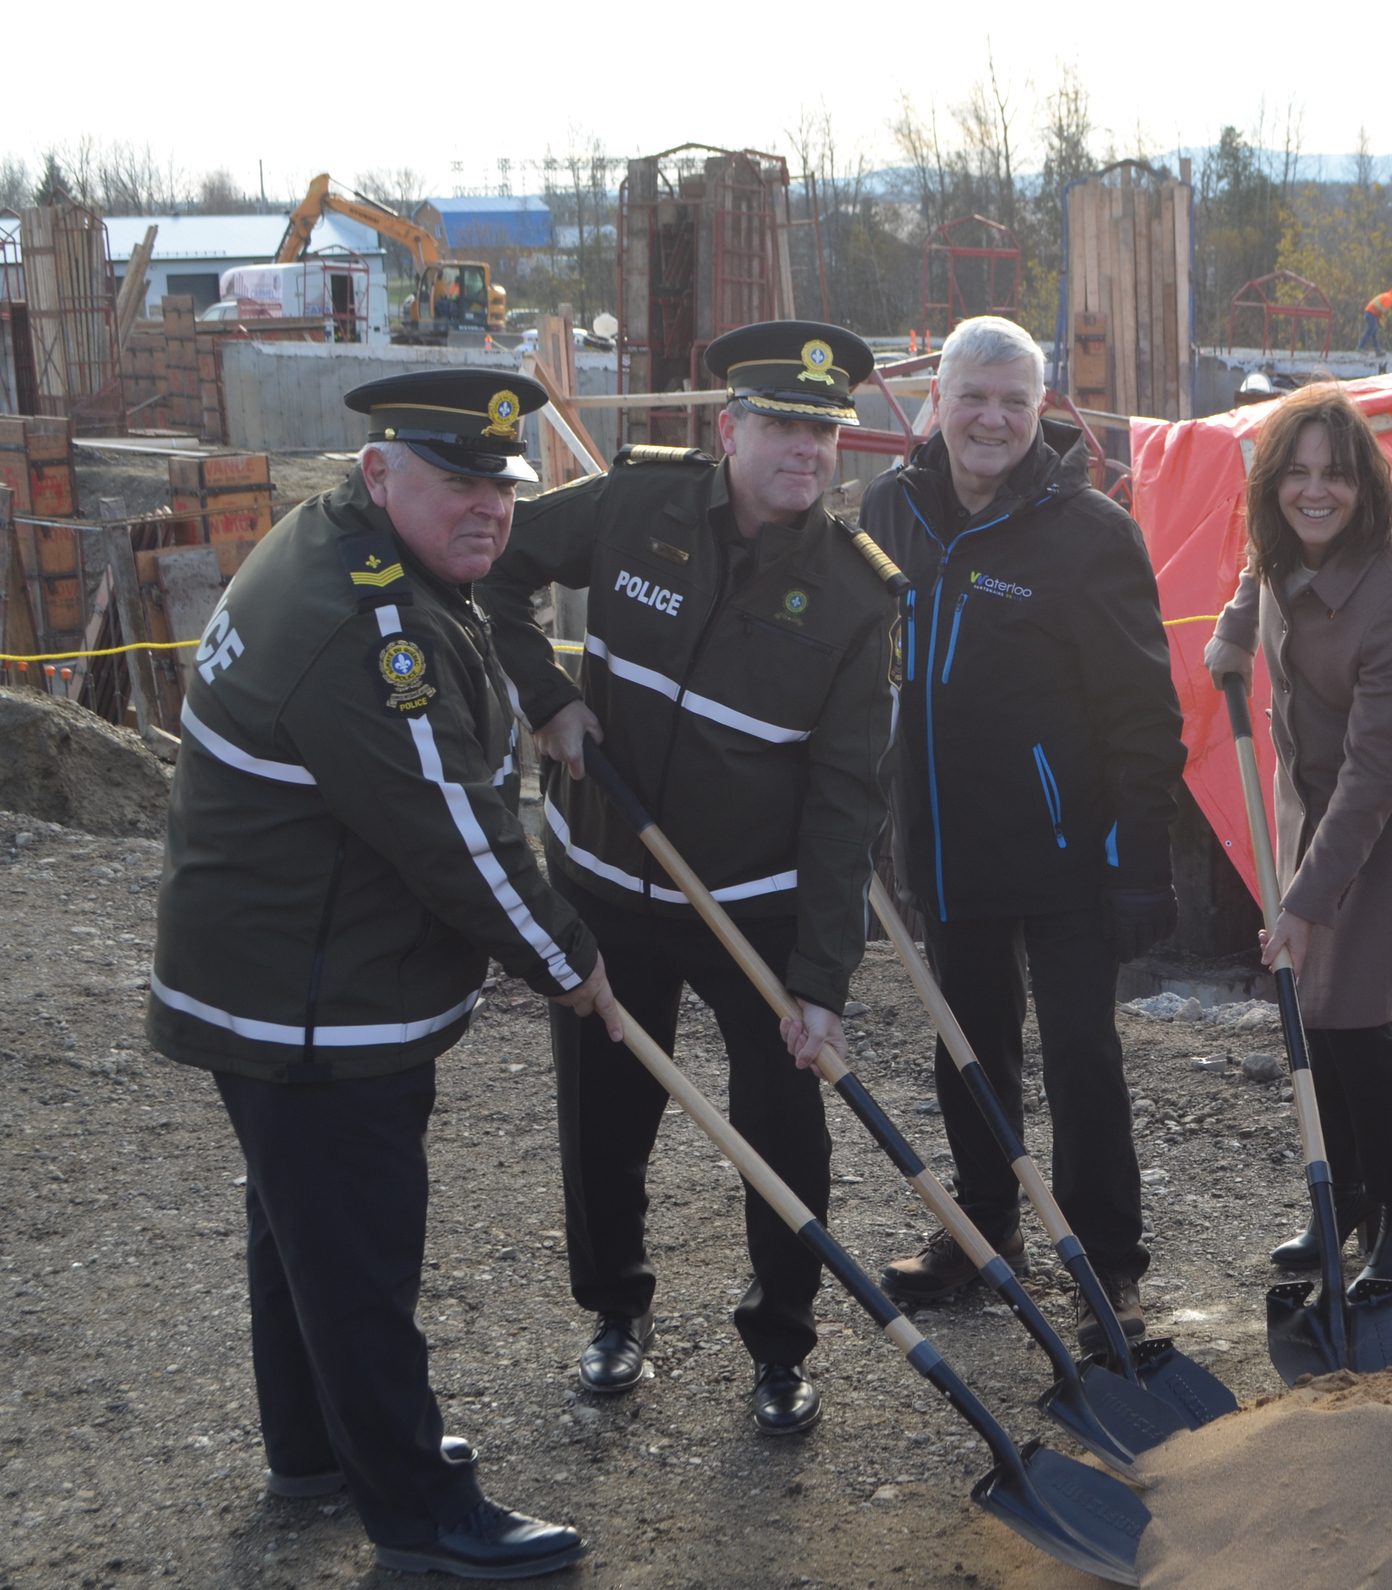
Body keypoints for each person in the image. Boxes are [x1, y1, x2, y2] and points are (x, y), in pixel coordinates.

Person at [147, 370, 610, 1578]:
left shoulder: (336, 543)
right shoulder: (372, 630)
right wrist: (571, 960)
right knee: (357, 1253)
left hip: (267, 962)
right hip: (313, 995)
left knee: (297, 1223)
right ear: (379, 471)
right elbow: (454, 833)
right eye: (457, 481)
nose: (489, 510)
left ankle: (310, 1450)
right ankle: (422, 1516)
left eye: (502, 487)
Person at [482, 321, 897, 1436]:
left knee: (785, 1131)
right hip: (605, 876)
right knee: (603, 1119)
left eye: (826, 430)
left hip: (747, 905)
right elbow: (496, 569)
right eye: (785, 425)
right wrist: (544, 694)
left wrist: (820, 981)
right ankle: (616, 1312)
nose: (808, 447)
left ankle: (782, 1345)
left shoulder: (857, 600)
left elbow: (847, 803)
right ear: (729, 430)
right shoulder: (633, 509)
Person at [860, 314, 1187, 1351]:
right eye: (973, 398)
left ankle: (1107, 1264)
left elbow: (1144, 711)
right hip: (945, 843)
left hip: (1066, 852)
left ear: (1039, 409)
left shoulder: (1089, 533)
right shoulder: (890, 509)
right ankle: (980, 1225)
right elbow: (859, 667)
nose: (991, 419)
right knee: (968, 1047)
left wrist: (1140, 862)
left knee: (1082, 1055)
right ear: (938, 405)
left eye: (1012, 400)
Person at [1204, 384, 1392, 1292]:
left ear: (1366, 486)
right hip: (1307, 777)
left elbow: (1376, 781)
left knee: (1353, 1006)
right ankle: (1346, 1198)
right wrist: (1236, 631)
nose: (1316, 493)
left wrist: (1307, 903)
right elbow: (1261, 565)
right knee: (1310, 1005)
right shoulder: (1287, 541)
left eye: (1338, 477)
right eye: (1299, 473)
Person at [1359, 288, 1392, 354]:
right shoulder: (1390, 298)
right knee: (1370, 330)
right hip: (1372, 313)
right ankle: (1361, 347)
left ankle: (1378, 350)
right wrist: (1379, 319)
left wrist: (1378, 319)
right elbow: (1382, 310)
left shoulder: (1386, 295)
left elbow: (1379, 309)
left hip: (1370, 313)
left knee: (1373, 333)